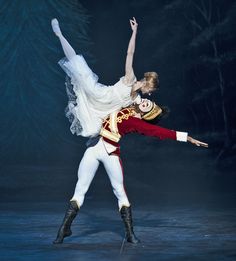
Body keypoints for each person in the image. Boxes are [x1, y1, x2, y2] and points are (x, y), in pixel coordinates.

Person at [53, 99, 208, 245]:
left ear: (146, 115)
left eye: (149, 106)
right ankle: (63, 230)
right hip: (93, 148)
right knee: (80, 189)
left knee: (119, 191)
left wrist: (187, 138)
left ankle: (129, 233)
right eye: (149, 102)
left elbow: (159, 131)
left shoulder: (137, 123)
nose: (147, 102)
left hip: (109, 152)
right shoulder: (127, 103)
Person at [51, 18, 159, 137]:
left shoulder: (137, 99)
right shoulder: (130, 79)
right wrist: (134, 32)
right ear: (148, 84)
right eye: (150, 91)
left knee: (92, 130)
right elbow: (130, 53)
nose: (149, 94)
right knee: (78, 65)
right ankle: (59, 34)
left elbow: (143, 115)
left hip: (103, 111)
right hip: (100, 94)